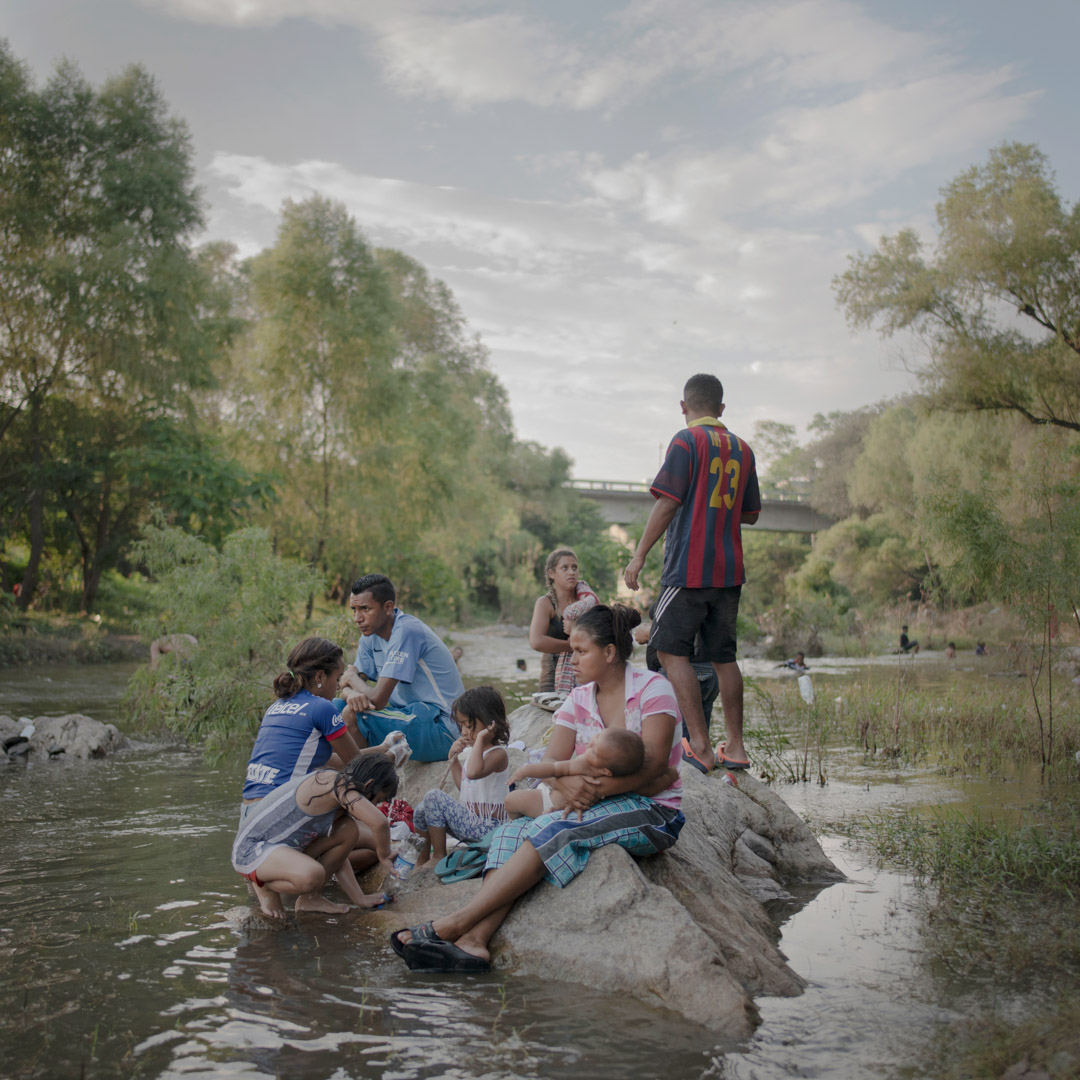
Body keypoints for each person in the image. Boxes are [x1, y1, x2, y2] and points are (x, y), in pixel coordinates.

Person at [389, 603, 685, 973]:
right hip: (589, 805)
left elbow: (657, 767)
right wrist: (568, 783)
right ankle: (475, 943)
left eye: (580, 651)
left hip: (652, 810)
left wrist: (592, 791)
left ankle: (454, 924)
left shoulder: (653, 690)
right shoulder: (578, 700)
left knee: (551, 827)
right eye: (571, 650)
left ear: (609, 653)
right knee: (510, 832)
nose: (571, 660)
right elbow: (550, 768)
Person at [624, 373, 761, 774]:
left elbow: (667, 502)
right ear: (721, 409)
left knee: (668, 650)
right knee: (723, 657)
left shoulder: (685, 441)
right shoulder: (742, 448)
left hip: (688, 569)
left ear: (684, 407)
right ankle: (734, 747)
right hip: (730, 570)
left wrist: (638, 556)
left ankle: (699, 746)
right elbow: (751, 514)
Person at [232, 755, 398, 920]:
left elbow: (338, 858)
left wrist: (359, 898)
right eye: (379, 800)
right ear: (368, 785)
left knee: (348, 830)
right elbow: (379, 823)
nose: (375, 806)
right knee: (313, 874)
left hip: (284, 848)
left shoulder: (340, 800)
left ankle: (311, 898)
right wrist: (384, 854)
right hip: (252, 850)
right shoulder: (334, 784)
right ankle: (265, 885)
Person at [339, 574, 465, 762]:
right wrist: (350, 692)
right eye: (354, 610)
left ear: (388, 607)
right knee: (335, 708)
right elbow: (347, 685)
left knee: (351, 715)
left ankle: (364, 780)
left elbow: (377, 699)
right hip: (414, 717)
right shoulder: (369, 636)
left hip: (444, 727)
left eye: (365, 609)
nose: (357, 618)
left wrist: (351, 679)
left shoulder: (407, 631)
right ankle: (354, 773)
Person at [413, 687, 511, 869]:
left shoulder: (498, 754)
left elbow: (474, 773)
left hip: (489, 830)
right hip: (472, 824)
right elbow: (465, 786)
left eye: (468, 725)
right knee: (421, 809)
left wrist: (481, 739)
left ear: (490, 723)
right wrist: (454, 760)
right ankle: (423, 857)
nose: (464, 732)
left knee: (433, 796)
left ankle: (439, 856)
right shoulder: (474, 754)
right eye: (462, 726)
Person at [506, 728, 655, 818]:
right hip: (559, 796)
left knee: (511, 800)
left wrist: (525, 770)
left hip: (549, 801)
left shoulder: (583, 764)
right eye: (595, 739)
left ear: (605, 771)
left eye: (593, 750)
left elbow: (554, 769)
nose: (589, 745)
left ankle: (515, 821)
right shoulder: (617, 774)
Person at [529, 548, 599, 697]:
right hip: (552, 671)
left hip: (586, 669)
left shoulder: (587, 601)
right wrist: (574, 646)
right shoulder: (546, 603)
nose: (571, 572)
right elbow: (536, 641)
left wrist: (577, 632)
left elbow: (601, 634)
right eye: (564, 568)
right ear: (551, 573)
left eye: (574, 567)